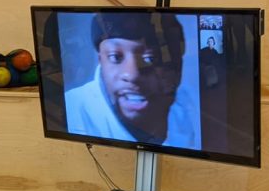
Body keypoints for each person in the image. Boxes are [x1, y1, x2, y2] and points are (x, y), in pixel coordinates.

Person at [64, 12, 198, 148]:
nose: (132, 74)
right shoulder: (71, 110)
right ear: (101, 60)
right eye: (115, 57)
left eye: (150, 59)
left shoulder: (189, 105)